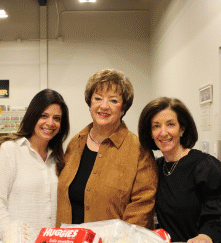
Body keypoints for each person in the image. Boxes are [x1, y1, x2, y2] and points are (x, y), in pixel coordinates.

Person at [138, 97, 221, 243]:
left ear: (182, 129)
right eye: (156, 126)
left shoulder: (204, 167)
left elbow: (217, 215)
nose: (163, 132)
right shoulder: (155, 167)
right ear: (150, 133)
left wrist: (205, 236)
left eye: (170, 124)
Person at [56, 69, 157, 228]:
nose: (104, 106)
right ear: (90, 103)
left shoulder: (138, 150)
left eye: (113, 101)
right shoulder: (75, 143)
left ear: (123, 108)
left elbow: (142, 206)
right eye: (98, 98)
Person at [0, 89, 70, 243]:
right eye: (44, 116)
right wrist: (16, 241)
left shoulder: (58, 159)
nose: (50, 123)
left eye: (56, 118)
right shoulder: (8, 150)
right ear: (33, 116)